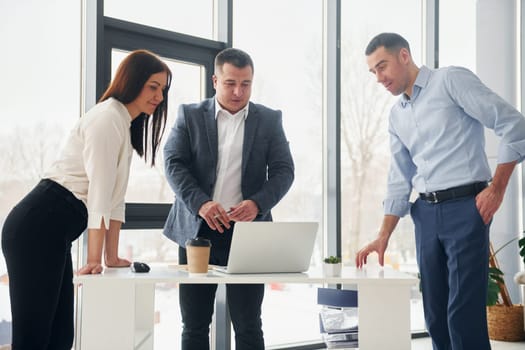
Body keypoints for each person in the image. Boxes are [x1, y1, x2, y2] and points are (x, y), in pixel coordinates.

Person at [355, 32, 525, 350]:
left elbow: (515, 126)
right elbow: (399, 178)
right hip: (425, 214)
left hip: (466, 207)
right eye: (373, 72)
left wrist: (497, 188)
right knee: (434, 315)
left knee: (462, 316)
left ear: (404, 55)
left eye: (382, 66)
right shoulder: (397, 115)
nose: (379, 78)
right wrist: (383, 235)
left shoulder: (450, 81)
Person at [1, 49, 172, 350]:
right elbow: (100, 193)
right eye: (153, 86)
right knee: (33, 339)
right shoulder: (107, 117)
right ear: (132, 82)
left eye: (163, 89)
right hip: (36, 226)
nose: (159, 96)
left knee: (60, 338)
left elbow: (115, 200)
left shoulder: (123, 124)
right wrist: (93, 258)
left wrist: (111, 256)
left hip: (53, 232)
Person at [163, 47, 294, 350]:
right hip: (198, 232)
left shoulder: (269, 120)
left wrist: (258, 203)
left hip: (248, 232)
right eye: (230, 83)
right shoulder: (190, 115)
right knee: (194, 323)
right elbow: (173, 163)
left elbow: (284, 171)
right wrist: (201, 204)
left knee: (248, 323)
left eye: (246, 84)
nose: (238, 91)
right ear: (215, 81)